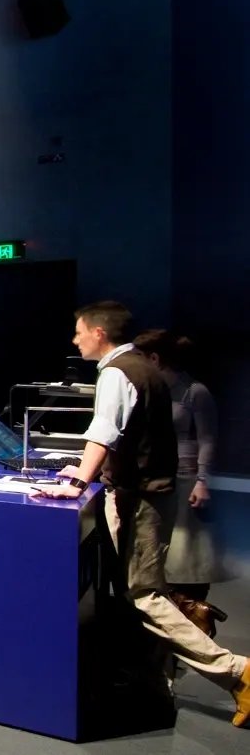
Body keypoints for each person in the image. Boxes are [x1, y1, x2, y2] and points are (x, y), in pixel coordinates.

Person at [32, 303, 249, 725]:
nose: (75, 340)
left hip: (141, 500)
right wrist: (86, 471)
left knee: (144, 594)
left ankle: (236, 672)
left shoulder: (118, 371)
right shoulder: (141, 367)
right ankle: (152, 674)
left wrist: (77, 483)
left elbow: (104, 431)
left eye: (79, 332)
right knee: (142, 590)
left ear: (98, 333)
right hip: (149, 494)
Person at [132, 331, 222, 600]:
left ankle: (192, 609)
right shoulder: (151, 389)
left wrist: (202, 480)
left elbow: (208, 439)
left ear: (155, 358)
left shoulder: (195, 392)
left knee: (187, 554)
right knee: (158, 551)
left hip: (185, 479)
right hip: (156, 477)